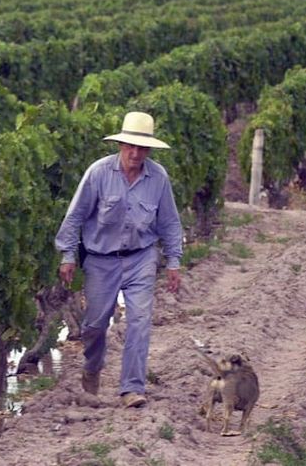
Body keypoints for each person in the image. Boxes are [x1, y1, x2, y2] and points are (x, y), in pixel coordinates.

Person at [55, 111, 183, 409]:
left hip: (141, 257)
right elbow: (75, 216)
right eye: (130, 147)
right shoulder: (98, 173)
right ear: (121, 145)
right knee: (96, 324)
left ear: (149, 150)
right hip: (101, 259)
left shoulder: (158, 178)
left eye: (142, 148)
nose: (135, 153)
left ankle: (132, 388)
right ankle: (92, 368)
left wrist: (174, 261)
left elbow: (170, 223)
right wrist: (67, 254)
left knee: (139, 320)